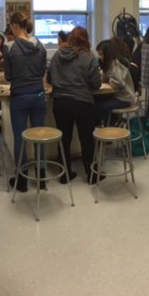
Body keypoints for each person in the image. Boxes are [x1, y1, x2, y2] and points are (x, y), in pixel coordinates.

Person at [47, 26, 103, 185]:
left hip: (60, 102)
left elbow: (49, 78)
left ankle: (64, 173)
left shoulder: (57, 55)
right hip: (82, 103)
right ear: (86, 39)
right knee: (86, 138)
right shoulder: (88, 57)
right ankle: (91, 174)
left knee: (64, 138)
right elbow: (96, 84)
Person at [4, 12, 47, 192]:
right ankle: (41, 178)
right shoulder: (40, 45)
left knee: (20, 138)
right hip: (38, 95)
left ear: (14, 26)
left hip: (19, 97)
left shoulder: (9, 47)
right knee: (39, 136)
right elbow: (43, 70)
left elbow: (8, 76)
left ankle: (21, 181)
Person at [94, 40, 137, 126]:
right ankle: (112, 122)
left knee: (100, 107)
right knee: (95, 101)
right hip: (118, 96)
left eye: (101, 54)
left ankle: (112, 125)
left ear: (108, 53)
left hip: (125, 98)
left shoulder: (115, 64)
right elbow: (106, 77)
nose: (100, 57)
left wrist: (109, 80)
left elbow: (119, 82)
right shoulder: (109, 64)